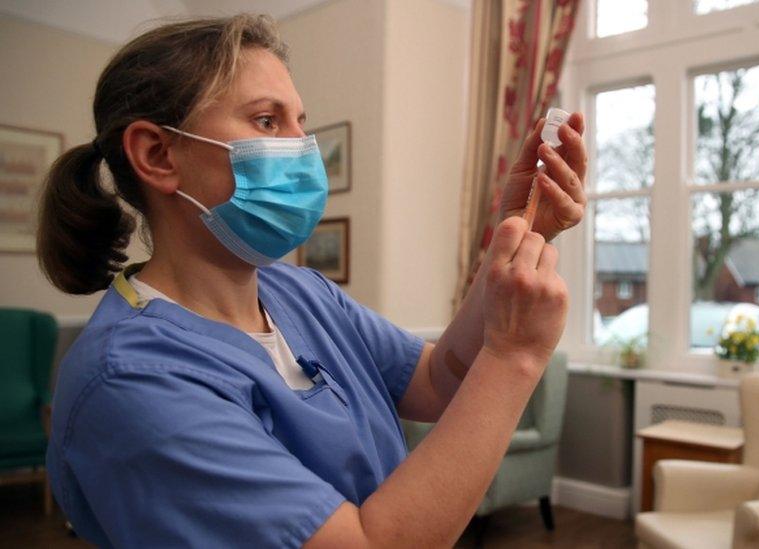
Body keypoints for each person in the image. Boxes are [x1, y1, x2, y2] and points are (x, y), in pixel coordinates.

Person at [39, 14, 588, 548]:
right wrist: (514, 357)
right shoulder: (132, 381)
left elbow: (439, 381)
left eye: (302, 121)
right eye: (267, 121)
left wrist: (514, 235)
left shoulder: (299, 292)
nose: (304, 148)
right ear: (158, 155)